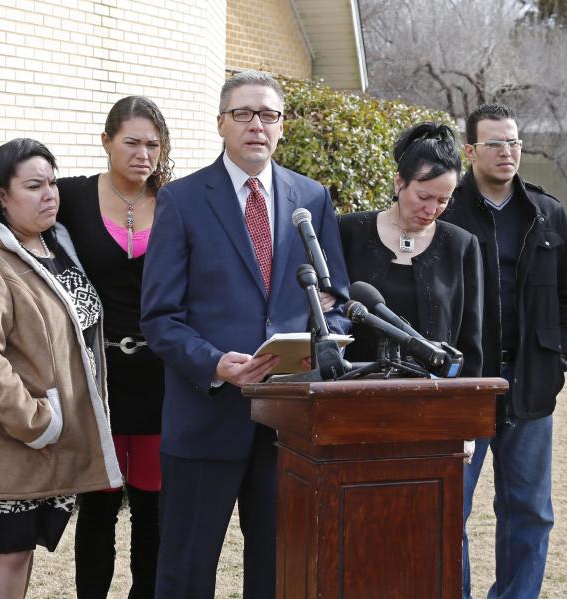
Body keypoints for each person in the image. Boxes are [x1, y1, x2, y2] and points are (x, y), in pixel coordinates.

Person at [140, 69, 351, 599]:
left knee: (280, 569)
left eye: (269, 115)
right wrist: (214, 364)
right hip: (205, 416)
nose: (257, 124)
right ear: (221, 124)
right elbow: (159, 317)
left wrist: (325, 344)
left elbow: (338, 301)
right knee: (186, 572)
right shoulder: (182, 201)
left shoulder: (312, 198)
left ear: (283, 126)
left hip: (289, 423)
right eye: (243, 114)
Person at [0, 96, 173, 598]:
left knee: (153, 508)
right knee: (96, 508)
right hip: (97, 378)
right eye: (132, 142)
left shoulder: (175, 201)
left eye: (153, 145)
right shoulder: (69, 195)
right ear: (106, 141)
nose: (143, 154)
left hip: (159, 376)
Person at [0, 138, 122, 598]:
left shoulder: (55, 241)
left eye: (53, 183)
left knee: (21, 554)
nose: (50, 194)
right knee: (8, 554)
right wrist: (37, 422)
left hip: (44, 446)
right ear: (1, 195)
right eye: (34, 185)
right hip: (7, 442)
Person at [438, 103, 567, 599]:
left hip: (531, 382)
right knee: (447, 509)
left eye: (515, 142)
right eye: (496, 143)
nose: (508, 152)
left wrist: (559, 357)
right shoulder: (446, 210)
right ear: (471, 151)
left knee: (530, 510)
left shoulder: (549, 213)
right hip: (463, 385)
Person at [339, 121, 483, 379]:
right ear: (399, 183)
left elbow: (471, 340)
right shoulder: (348, 231)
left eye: (443, 200)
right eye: (424, 197)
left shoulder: (461, 245)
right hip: (353, 394)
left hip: (433, 403)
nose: (432, 210)